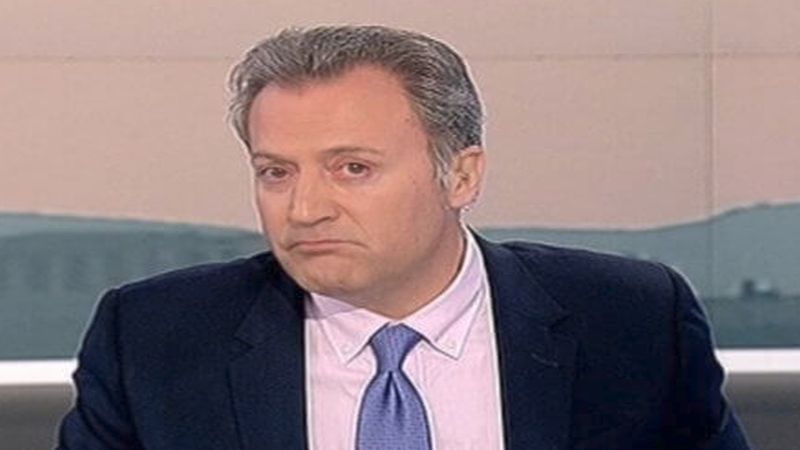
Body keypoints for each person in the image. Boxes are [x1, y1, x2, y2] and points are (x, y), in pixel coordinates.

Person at [56, 25, 751, 450]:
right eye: (276, 172)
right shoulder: (157, 337)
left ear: (461, 175)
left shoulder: (630, 320)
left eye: (352, 168)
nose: (305, 208)